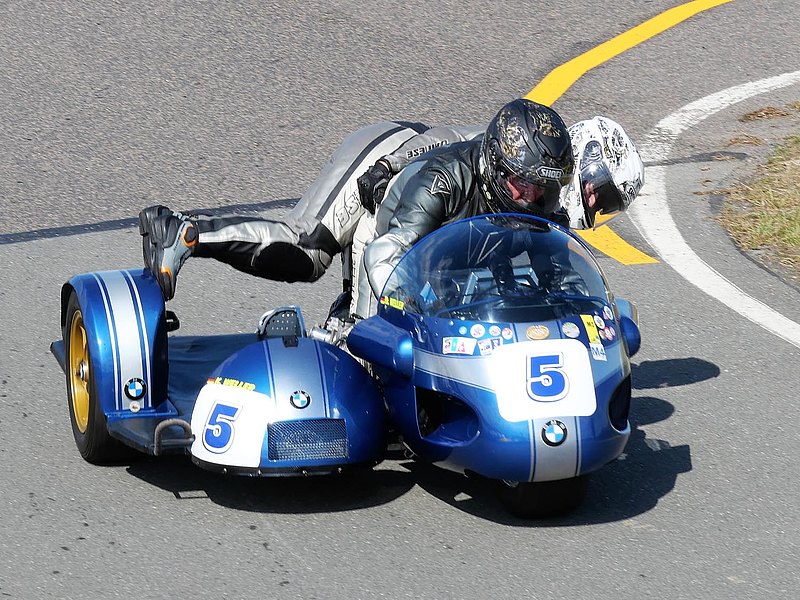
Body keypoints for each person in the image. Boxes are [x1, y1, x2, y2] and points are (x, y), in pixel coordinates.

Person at [139, 99, 644, 320]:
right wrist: (389, 166)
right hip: (393, 157)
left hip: (420, 184)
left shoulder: (539, 179)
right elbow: (445, 147)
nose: (596, 204)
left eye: (610, 204)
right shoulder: (512, 151)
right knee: (308, 251)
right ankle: (182, 231)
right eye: (600, 191)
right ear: (586, 156)